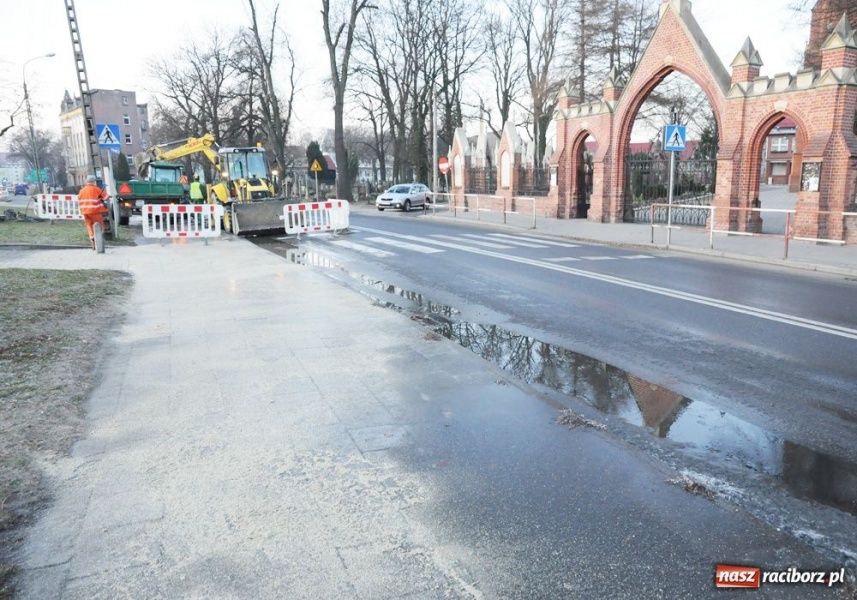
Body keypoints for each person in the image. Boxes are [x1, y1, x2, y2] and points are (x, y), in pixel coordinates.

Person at [78, 175, 109, 249]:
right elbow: (106, 198)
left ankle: (93, 242)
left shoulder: (82, 190)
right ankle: (99, 243)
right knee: (100, 226)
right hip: (94, 211)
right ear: (94, 182)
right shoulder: (96, 189)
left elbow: (79, 199)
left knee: (89, 226)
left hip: (85, 212)